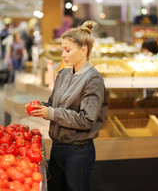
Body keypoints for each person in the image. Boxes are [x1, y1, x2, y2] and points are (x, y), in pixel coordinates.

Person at [27, 20, 108, 191]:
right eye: (62, 49)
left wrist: (51, 113)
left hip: (78, 152)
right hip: (57, 148)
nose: (63, 55)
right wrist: (39, 107)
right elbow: (53, 104)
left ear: (83, 50)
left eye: (67, 50)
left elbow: (86, 120)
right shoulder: (63, 73)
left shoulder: (93, 80)